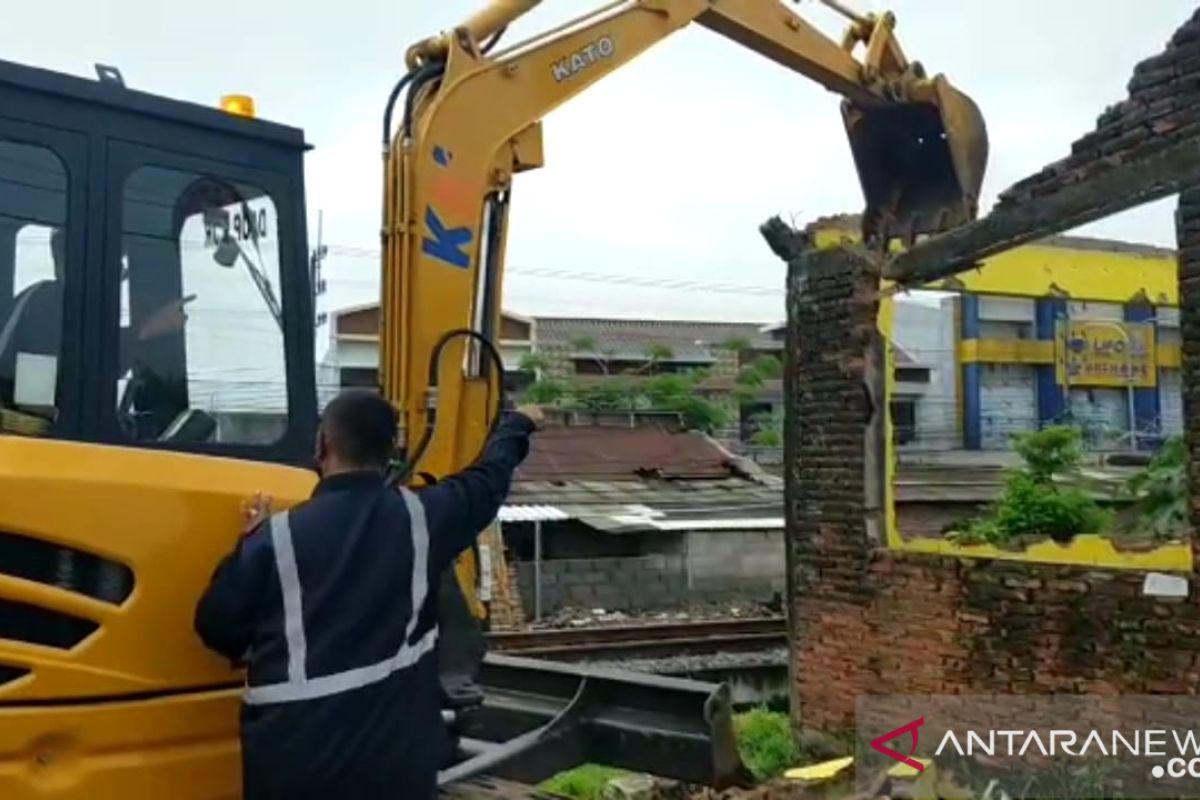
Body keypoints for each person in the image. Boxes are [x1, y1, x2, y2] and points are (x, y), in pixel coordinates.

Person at [193, 389, 543, 799]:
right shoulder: (422, 519)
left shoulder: (276, 538)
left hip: (295, 765)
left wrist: (244, 546)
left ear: (322, 443)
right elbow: (487, 480)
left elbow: (217, 628)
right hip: (395, 767)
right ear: (392, 449)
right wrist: (517, 425)